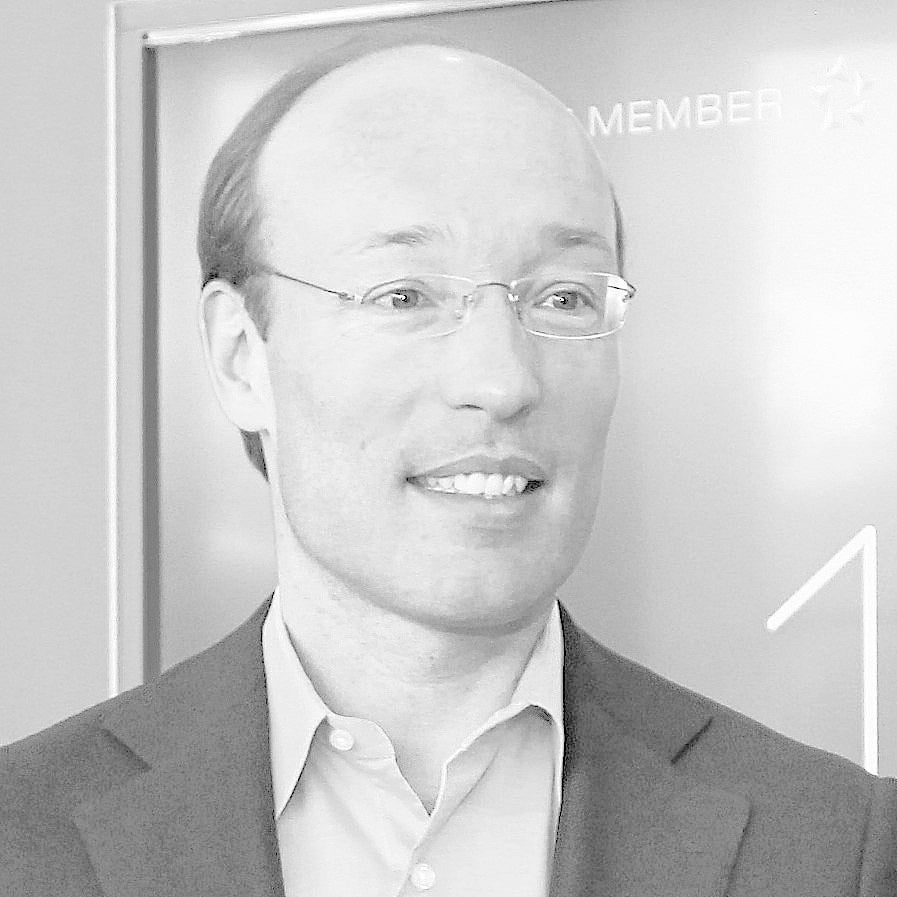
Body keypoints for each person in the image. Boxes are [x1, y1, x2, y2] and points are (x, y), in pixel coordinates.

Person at [2, 35, 895, 897]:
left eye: (563, 296)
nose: (500, 381)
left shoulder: (832, 846)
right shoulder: (24, 836)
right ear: (241, 356)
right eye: (404, 295)